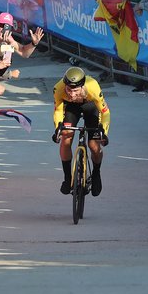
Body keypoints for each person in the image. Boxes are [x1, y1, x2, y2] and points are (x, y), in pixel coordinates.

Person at [52, 67, 110, 197]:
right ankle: (68, 178)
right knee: (66, 137)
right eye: (69, 90)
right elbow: (58, 110)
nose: (72, 94)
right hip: (72, 108)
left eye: (76, 90)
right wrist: (58, 128)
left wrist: (104, 132)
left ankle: (96, 173)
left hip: (90, 107)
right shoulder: (58, 88)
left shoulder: (93, 86)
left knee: (93, 145)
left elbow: (105, 112)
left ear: (82, 86)